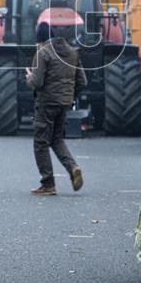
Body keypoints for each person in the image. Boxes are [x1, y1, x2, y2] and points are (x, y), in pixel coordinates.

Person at [25, 22, 85, 196]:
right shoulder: (73, 52)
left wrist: (29, 77)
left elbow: (37, 82)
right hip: (64, 103)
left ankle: (48, 183)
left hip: (46, 103)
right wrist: (69, 96)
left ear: (41, 40)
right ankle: (73, 167)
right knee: (56, 139)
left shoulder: (43, 53)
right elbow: (82, 81)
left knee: (41, 142)